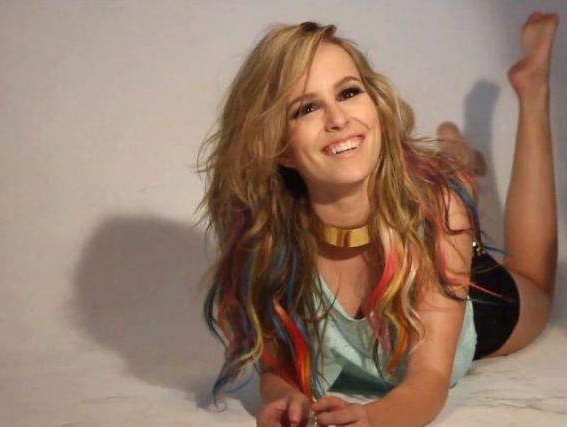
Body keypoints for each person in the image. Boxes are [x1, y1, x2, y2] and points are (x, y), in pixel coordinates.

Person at [196, 11, 558, 427]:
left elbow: (430, 378)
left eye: (348, 92)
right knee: (446, 184)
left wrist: (373, 419)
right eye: (307, 108)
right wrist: (285, 397)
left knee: (534, 280)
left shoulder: (437, 215)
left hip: (452, 276)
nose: (337, 119)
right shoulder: (267, 241)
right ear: (279, 148)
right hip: (419, 214)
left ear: (376, 104)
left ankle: (531, 91)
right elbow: (276, 369)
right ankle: (453, 158)